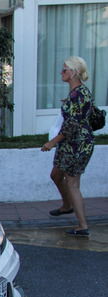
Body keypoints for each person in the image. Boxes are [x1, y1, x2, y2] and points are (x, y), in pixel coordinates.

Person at [41, 56, 95, 237]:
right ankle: (67, 206)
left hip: (76, 145)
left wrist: (52, 142)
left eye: (64, 70)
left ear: (74, 72)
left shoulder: (79, 94)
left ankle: (82, 226)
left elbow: (72, 126)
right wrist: (69, 105)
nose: (61, 72)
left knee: (73, 184)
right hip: (70, 144)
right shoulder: (77, 93)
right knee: (56, 175)